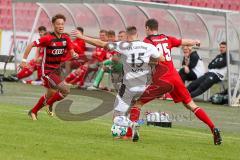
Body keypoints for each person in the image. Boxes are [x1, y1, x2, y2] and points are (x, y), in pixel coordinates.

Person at [127, 19, 222, 145]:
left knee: (137, 103)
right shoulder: (166, 38)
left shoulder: (147, 42)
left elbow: (146, 60)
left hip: (162, 79)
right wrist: (195, 42)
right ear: (157, 27)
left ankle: (129, 134)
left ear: (147, 28)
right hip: (175, 77)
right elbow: (183, 41)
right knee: (191, 105)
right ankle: (213, 127)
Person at [72, 26, 166, 142]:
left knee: (117, 116)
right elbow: (161, 59)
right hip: (143, 86)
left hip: (128, 87)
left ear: (127, 36)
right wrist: (147, 60)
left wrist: (82, 37)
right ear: (137, 35)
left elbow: (100, 43)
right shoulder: (149, 46)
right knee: (130, 109)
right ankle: (123, 134)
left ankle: (132, 125)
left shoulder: (124, 46)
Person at [20, 14, 77, 120]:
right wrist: (24, 61)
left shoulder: (66, 38)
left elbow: (72, 51)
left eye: (62, 24)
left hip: (57, 70)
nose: (60, 26)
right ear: (53, 25)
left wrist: (74, 54)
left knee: (50, 93)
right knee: (65, 90)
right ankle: (48, 105)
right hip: (47, 71)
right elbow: (31, 45)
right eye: (58, 24)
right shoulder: (47, 38)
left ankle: (33, 111)